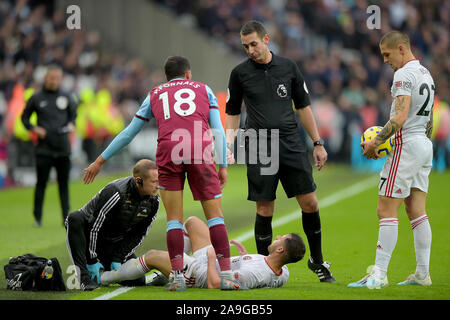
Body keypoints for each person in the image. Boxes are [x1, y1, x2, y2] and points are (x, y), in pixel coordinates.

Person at [82, 56, 240, 291]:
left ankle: (177, 278)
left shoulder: (156, 93)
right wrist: (223, 165)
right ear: (188, 74)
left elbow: (128, 133)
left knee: (174, 219)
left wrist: (99, 160)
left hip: (169, 149)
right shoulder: (204, 90)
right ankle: (226, 275)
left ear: (167, 77)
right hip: (200, 146)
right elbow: (216, 128)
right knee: (215, 217)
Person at [224, 20, 335, 282]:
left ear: (266, 39)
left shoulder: (288, 67)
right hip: (260, 143)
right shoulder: (239, 73)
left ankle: (317, 261)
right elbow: (232, 112)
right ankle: (265, 269)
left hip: (290, 141)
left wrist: (317, 143)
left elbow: (304, 106)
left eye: (253, 44)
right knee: (265, 208)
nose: (250, 50)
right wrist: (229, 145)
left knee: (309, 202)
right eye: (245, 46)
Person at [349, 31, 434, 288]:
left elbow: (399, 117)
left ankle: (379, 275)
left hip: (406, 144)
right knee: (416, 210)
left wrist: (376, 142)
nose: (385, 60)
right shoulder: (426, 74)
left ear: (400, 48)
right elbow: (428, 120)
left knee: (385, 208)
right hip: (423, 144)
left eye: (387, 54)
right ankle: (422, 274)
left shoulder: (403, 75)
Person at [101, 216, 306, 289]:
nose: (277, 236)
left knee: (153, 255)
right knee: (192, 222)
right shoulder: (283, 272)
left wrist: (209, 258)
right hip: (214, 260)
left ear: (280, 249)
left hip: (200, 272)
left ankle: (105, 278)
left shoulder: (255, 273)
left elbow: (215, 284)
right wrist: (243, 256)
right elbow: (268, 270)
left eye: (282, 238)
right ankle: (170, 273)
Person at [65, 159, 160, 291]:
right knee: (74, 218)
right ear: (139, 181)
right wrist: (92, 260)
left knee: (138, 281)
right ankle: (83, 277)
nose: (158, 185)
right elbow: (94, 228)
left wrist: (118, 258)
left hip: (111, 241)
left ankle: (104, 271)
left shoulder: (154, 201)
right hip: (87, 235)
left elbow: (139, 234)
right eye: (154, 182)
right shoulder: (115, 192)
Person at [21, 65, 78, 227]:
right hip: (44, 149)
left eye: (57, 78)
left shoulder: (66, 96)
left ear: (60, 79)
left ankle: (65, 218)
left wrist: (72, 124)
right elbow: (24, 118)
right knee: (41, 184)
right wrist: (34, 128)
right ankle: (37, 218)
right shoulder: (37, 97)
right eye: (51, 78)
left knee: (63, 184)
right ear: (45, 78)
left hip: (62, 148)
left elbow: (74, 115)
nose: (54, 81)